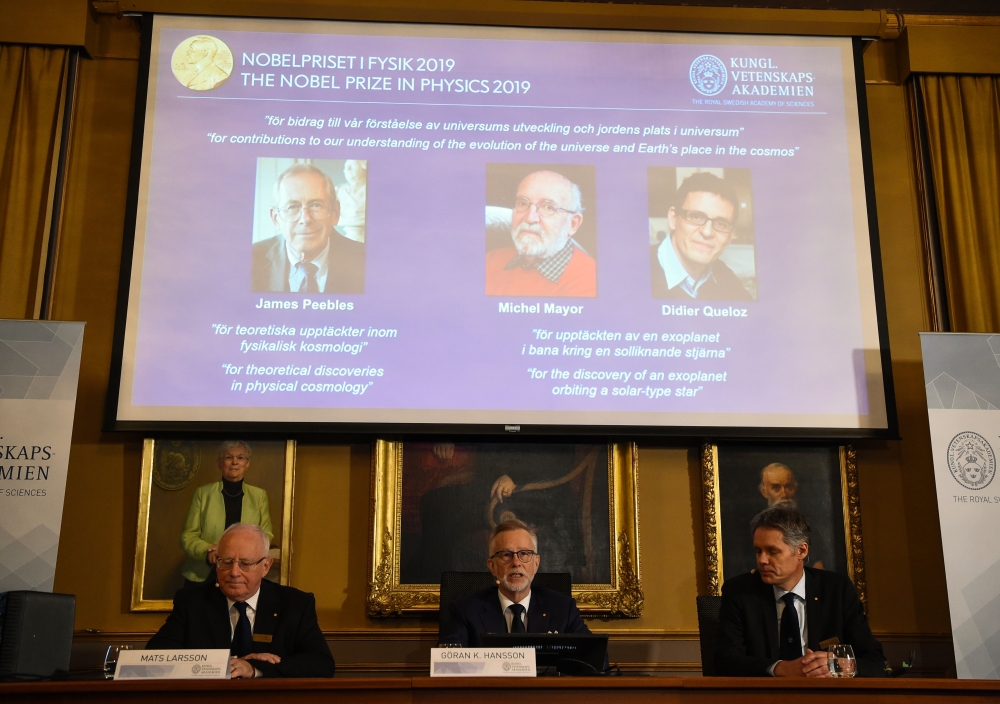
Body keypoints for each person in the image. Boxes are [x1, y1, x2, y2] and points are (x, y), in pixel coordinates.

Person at [715, 505, 885, 678]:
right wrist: (780, 668)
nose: (762, 560)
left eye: (772, 551)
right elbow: (725, 661)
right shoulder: (739, 592)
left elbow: (875, 661)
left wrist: (841, 666)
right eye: (758, 551)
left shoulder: (836, 589)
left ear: (802, 551)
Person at [149, 523, 335, 678]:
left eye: (245, 564)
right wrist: (227, 664)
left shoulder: (295, 604)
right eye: (226, 562)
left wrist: (255, 669)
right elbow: (155, 658)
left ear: (265, 566)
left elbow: (321, 664)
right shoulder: (192, 602)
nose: (234, 572)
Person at [438, 518, 594, 647]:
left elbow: (594, 659)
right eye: (506, 555)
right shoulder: (465, 611)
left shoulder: (562, 609)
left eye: (524, 554)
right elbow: (448, 667)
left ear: (536, 563)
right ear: (492, 566)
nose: (516, 562)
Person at [252, 163, 365, 293]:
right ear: (275, 218)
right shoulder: (250, 260)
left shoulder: (366, 260)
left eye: (316, 205)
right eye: (293, 207)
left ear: (335, 213)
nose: (306, 219)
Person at [485, 171, 596, 297]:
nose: (530, 218)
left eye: (548, 207)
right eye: (522, 203)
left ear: (573, 224)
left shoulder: (590, 281)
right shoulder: (491, 259)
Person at [180, 441, 273, 587]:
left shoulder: (259, 496)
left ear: (247, 464)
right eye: (229, 457)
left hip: (242, 574)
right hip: (203, 575)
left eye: (241, 458)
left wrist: (244, 554)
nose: (235, 462)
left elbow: (266, 534)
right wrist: (209, 551)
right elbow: (188, 537)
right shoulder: (202, 494)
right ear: (219, 463)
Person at [650, 172, 751, 300]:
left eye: (721, 224)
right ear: (673, 218)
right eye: (696, 217)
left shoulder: (726, 278)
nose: (707, 232)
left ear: (730, 235)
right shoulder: (631, 272)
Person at [335, 159, 367, 243]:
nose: (348, 169)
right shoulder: (338, 191)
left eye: (353, 165)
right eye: (345, 167)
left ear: (363, 168)